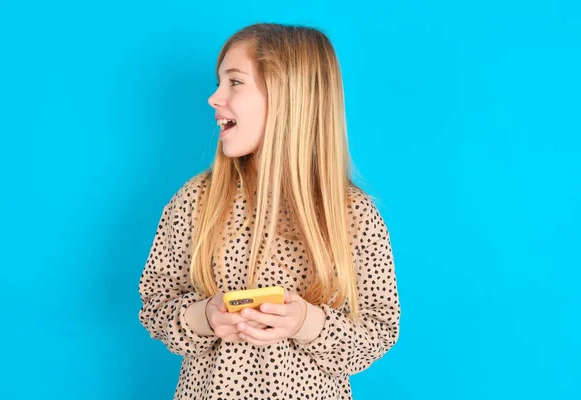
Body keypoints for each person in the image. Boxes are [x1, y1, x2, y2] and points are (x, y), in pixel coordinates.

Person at [138, 22, 401, 400]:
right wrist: (206, 316)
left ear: (287, 97)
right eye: (218, 82)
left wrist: (306, 322)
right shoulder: (196, 200)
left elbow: (379, 331)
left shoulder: (352, 214)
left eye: (235, 82)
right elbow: (156, 303)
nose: (214, 98)